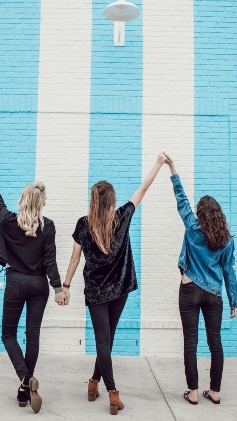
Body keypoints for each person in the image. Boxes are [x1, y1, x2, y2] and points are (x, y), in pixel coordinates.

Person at [61, 152, 167, 415]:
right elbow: (143, 188)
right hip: (120, 289)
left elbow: (75, 259)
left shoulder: (83, 225)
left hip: (96, 292)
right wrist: (158, 163)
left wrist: (66, 285)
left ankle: (95, 384)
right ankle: (111, 392)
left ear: (93, 200)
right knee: (106, 339)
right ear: (112, 200)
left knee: (103, 340)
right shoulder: (122, 216)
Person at [0, 155, 66, 414]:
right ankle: (25, 387)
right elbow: (50, 261)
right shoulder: (48, 227)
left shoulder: (8, 220)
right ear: (41, 203)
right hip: (39, 285)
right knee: (32, 336)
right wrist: (58, 289)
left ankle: (25, 379)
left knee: (8, 334)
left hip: (15, 282)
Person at [164, 154, 237, 405]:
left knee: (191, 342)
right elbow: (229, 271)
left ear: (201, 214)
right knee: (215, 342)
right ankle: (214, 392)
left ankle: (193, 393)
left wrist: (173, 168)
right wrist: (234, 301)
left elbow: (181, 199)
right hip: (215, 294)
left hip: (189, 288)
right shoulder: (227, 239)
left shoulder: (193, 227)